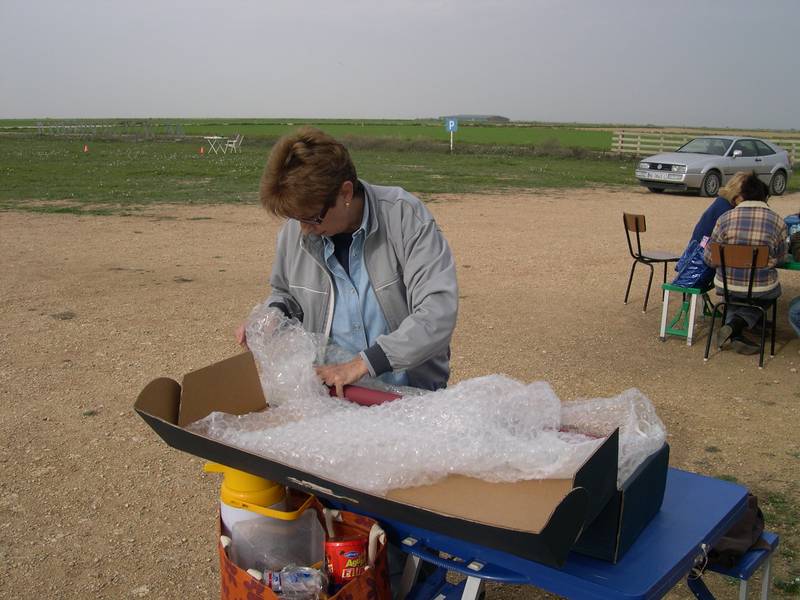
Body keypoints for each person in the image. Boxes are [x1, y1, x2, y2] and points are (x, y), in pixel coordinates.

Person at [236, 127, 458, 396]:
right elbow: (285, 293)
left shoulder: (404, 217)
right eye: (297, 219)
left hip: (409, 396)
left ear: (345, 193)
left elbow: (437, 311)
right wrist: (274, 315)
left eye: (312, 218)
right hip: (333, 394)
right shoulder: (295, 230)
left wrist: (363, 364)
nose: (304, 230)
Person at [704, 172, 788, 354]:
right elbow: (781, 258)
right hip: (760, 286)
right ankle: (736, 325)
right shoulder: (777, 221)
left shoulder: (725, 218)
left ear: (741, 195)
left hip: (726, 284)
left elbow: (709, 258)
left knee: (734, 296)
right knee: (772, 293)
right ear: (764, 197)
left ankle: (734, 332)